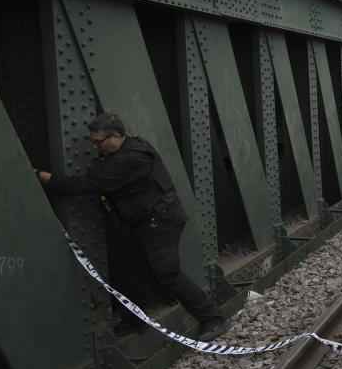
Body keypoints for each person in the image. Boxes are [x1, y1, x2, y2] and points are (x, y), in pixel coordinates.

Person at [36, 113, 229, 342]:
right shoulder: (125, 150)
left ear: (116, 136)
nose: (96, 146)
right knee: (131, 272)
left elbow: (87, 185)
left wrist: (44, 177)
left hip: (162, 223)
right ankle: (134, 321)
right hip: (143, 223)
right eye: (93, 142)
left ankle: (213, 318)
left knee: (166, 272)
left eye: (99, 141)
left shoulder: (130, 159)